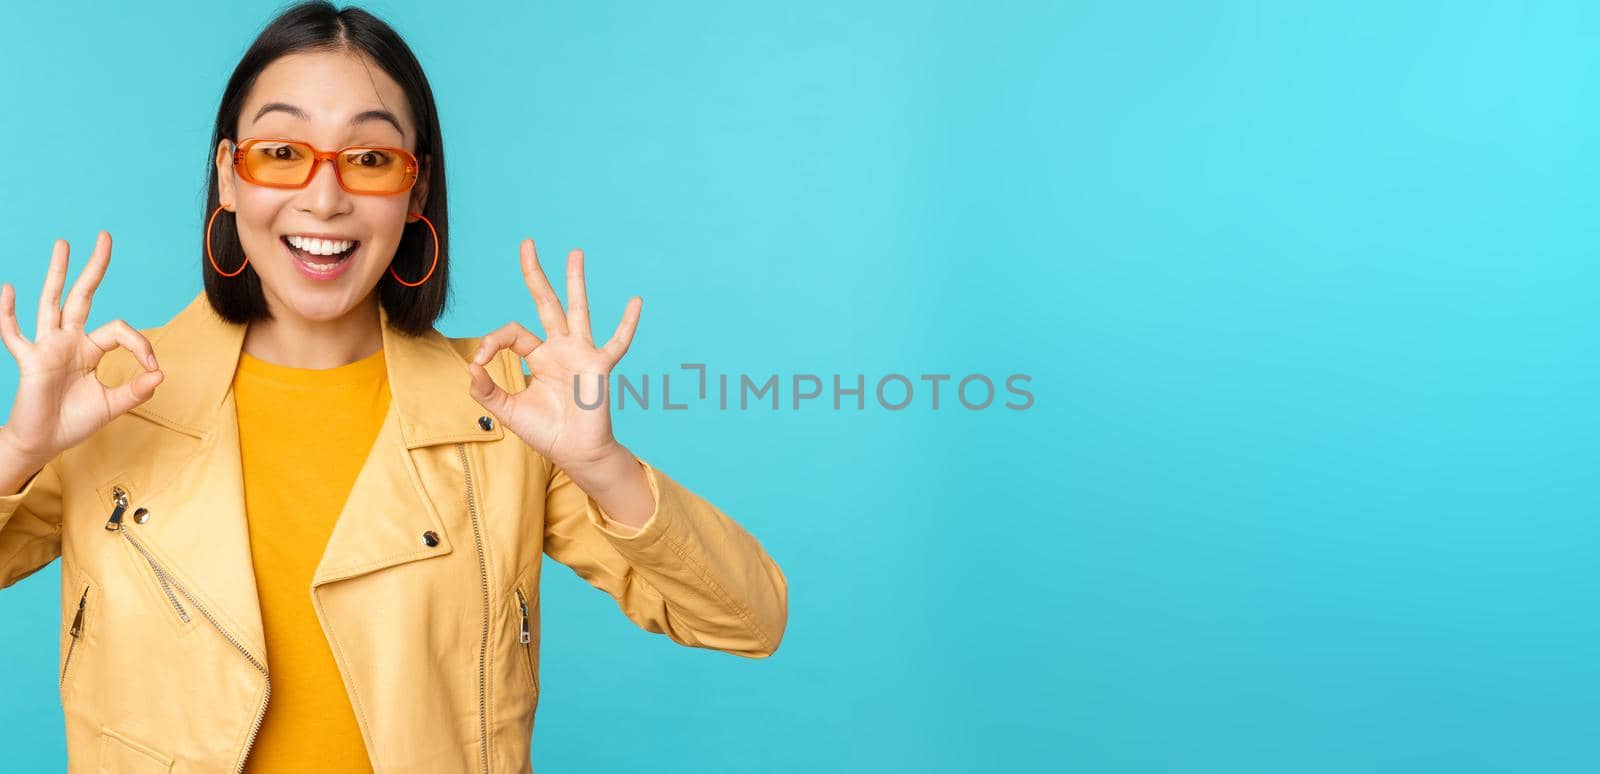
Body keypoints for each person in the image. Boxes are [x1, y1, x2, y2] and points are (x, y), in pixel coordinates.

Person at [0, 3, 787, 772]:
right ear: (228, 176)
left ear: (415, 193)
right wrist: (20, 449)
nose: (324, 196)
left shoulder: (505, 407)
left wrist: (603, 463)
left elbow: (749, 620)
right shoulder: (105, 399)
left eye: (370, 159)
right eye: (281, 152)